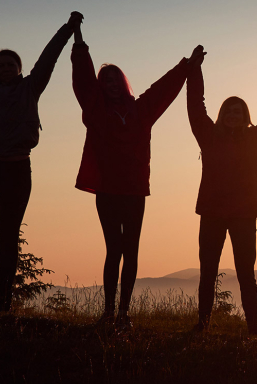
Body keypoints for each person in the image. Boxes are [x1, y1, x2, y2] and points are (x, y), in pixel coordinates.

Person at [71, 21, 202, 329]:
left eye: (116, 79)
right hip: (106, 189)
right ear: (101, 85)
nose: (112, 84)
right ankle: (107, 312)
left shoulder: (141, 110)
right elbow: (82, 79)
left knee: (130, 250)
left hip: (134, 191)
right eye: (106, 80)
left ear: (124, 82)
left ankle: (123, 314)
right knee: (113, 249)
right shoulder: (95, 112)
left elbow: (162, 89)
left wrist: (187, 66)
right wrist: (78, 40)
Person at [186, 52, 257, 335]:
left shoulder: (255, 139)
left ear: (245, 117)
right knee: (208, 272)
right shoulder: (208, 136)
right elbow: (194, 106)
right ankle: (203, 324)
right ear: (221, 115)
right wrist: (194, 70)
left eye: (237, 112)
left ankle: (253, 325)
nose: (232, 115)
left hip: (243, 214)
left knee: (246, 273)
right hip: (212, 212)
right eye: (228, 111)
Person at [0, 12, 82, 312]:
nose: (6, 69)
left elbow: (49, 58)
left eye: (11, 65)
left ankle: (3, 303)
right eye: (1, 65)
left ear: (19, 69)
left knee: (7, 236)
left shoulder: (30, 88)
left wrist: (67, 30)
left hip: (18, 169)